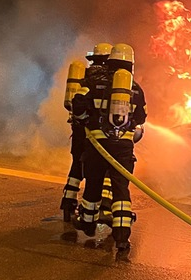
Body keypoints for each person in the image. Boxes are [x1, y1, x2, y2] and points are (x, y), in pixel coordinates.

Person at [72, 43, 146, 253]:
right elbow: (141, 118)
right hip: (123, 148)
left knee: (94, 184)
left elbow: (78, 103)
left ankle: (88, 224)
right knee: (121, 189)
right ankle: (122, 237)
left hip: (97, 144)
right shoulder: (136, 88)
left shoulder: (94, 82)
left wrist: (84, 119)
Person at [60, 43, 112, 222]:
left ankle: (68, 202)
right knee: (104, 167)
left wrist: (81, 120)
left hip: (78, 130)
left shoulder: (84, 77)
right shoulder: (109, 80)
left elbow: (75, 104)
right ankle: (103, 206)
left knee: (77, 165)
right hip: (95, 134)